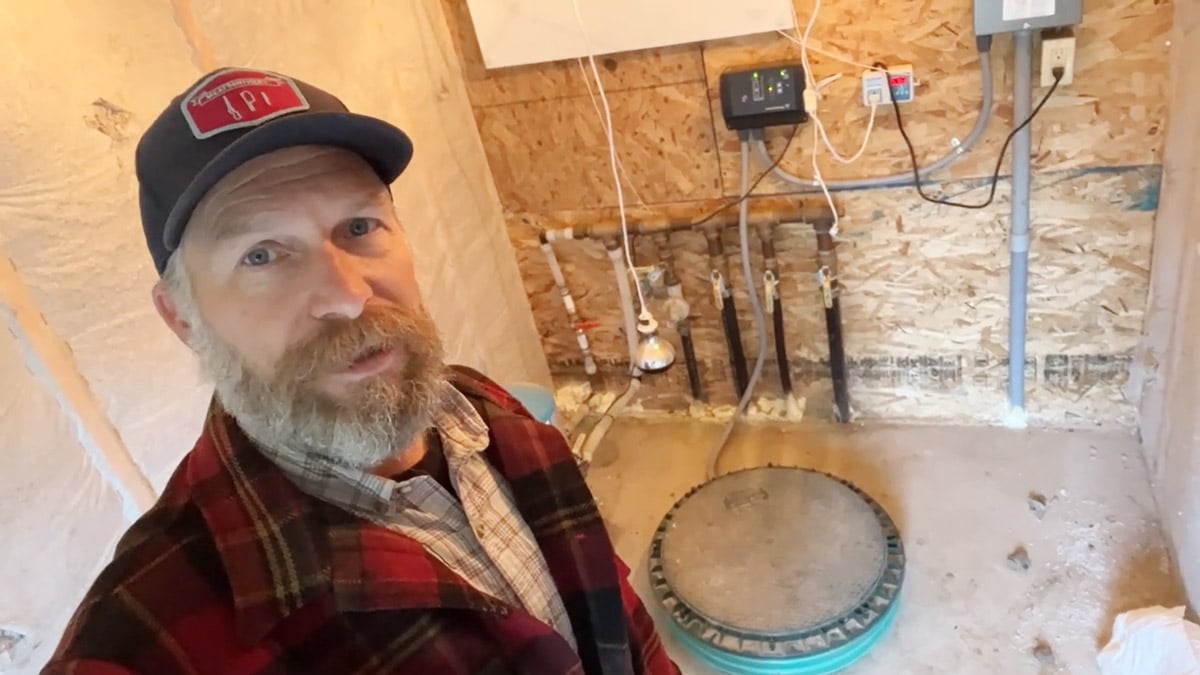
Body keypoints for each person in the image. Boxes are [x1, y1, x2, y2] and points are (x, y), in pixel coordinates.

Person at [43, 67, 678, 675]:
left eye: (358, 226)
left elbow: (618, 626)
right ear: (182, 318)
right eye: (261, 255)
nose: (347, 295)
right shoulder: (146, 637)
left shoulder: (487, 413)